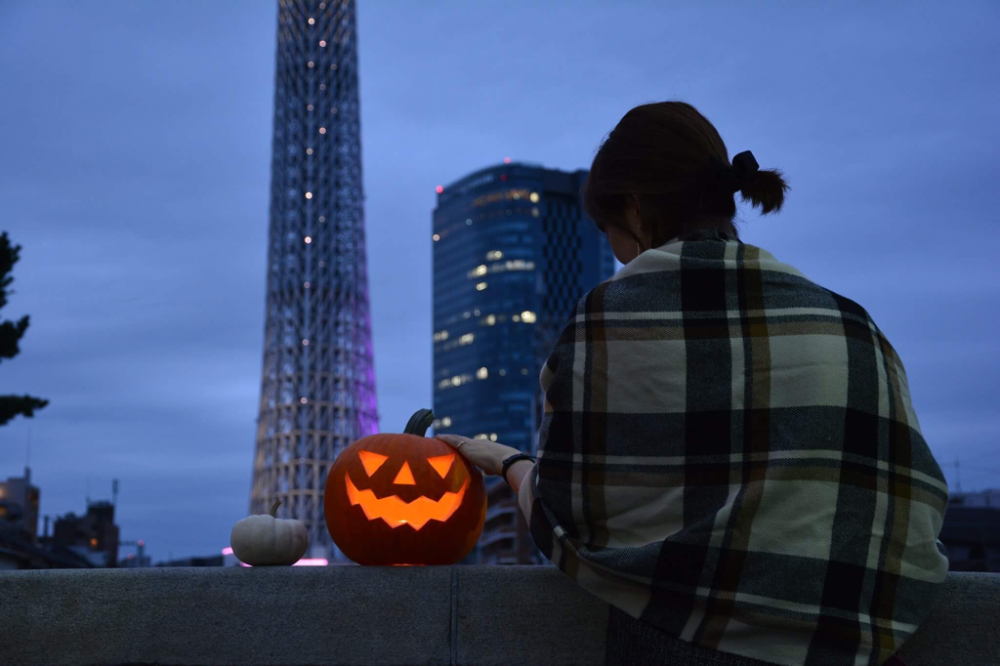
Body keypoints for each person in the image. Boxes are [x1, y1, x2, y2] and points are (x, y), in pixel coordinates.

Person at [436, 101, 948, 666]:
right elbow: (911, 512)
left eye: (610, 232)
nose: (616, 254)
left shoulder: (606, 321)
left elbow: (565, 517)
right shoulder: (853, 324)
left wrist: (513, 465)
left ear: (633, 209)